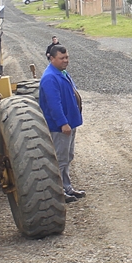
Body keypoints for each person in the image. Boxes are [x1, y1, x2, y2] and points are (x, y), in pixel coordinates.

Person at [39, 44, 85, 202]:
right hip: (61, 127)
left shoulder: (61, 72)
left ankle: (67, 187)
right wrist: (63, 123)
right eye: (62, 58)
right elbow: (54, 104)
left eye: (67, 57)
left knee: (68, 156)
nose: (66, 61)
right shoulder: (49, 78)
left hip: (70, 123)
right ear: (51, 59)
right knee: (60, 159)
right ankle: (58, 192)